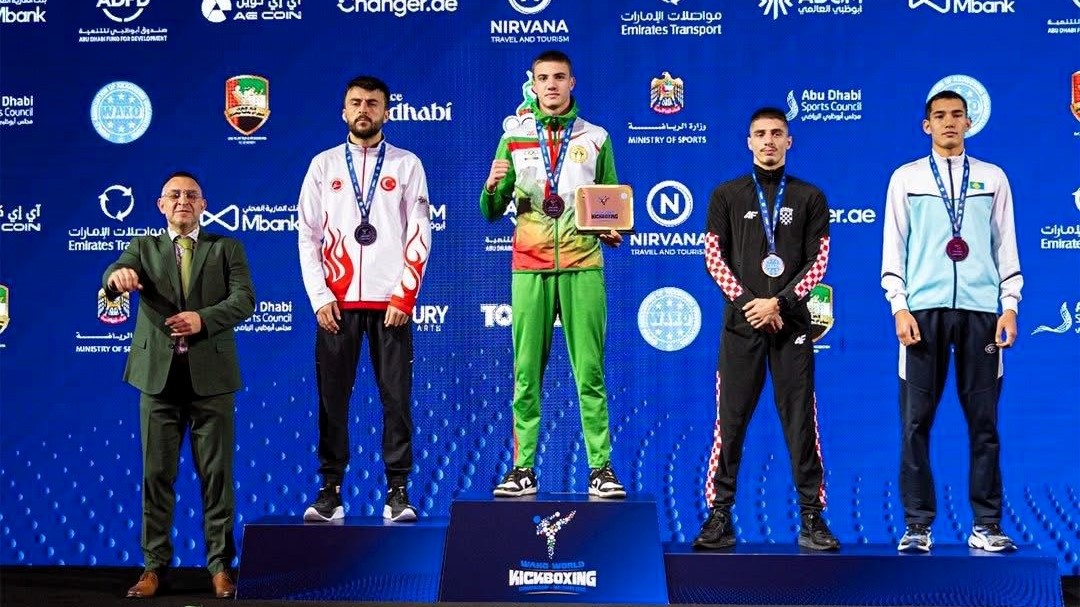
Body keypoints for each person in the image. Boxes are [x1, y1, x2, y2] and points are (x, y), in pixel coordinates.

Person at [481, 49, 626, 499]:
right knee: (526, 373)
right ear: (534, 84)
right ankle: (522, 468)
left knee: (590, 373)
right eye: (543, 78)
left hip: (583, 265)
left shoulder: (596, 138)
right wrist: (492, 186)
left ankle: (600, 469)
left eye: (559, 77)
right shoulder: (513, 138)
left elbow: (610, 203)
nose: (551, 85)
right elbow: (491, 211)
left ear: (571, 82)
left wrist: (612, 228)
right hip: (530, 265)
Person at [881, 90, 1022, 553]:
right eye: (939, 116)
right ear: (927, 125)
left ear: (968, 123)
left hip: (982, 313)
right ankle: (918, 526)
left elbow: (1005, 245)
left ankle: (987, 525)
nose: (948, 122)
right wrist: (899, 306)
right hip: (923, 313)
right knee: (915, 423)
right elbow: (894, 246)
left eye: (956, 115)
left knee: (985, 425)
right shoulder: (906, 178)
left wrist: (1009, 305)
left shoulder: (993, 178)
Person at [103, 171, 255, 599]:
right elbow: (114, 273)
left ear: (203, 205)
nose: (183, 200)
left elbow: (244, 299)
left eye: (191, 195)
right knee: (156, 475)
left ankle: (220, 568)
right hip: (158, 380)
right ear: (161, 205)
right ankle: (153, 567)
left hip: (213, 380)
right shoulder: (143, 248)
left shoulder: (226, 248)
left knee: (217, 477)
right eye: (174, 195)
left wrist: (202, 319)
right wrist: (116, 279)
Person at [693, 107, 839, 551]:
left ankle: (812, 517)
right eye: (760, 134)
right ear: (749, 142)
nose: (769, 141)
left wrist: (780, 303)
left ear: (789, 141)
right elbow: (713, 258)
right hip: (742, 327)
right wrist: (750, 305)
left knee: (801, 423)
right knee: (730, 423)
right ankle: (720, 515)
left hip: (792, 327)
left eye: (777, 133)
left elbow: (818, 263)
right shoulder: (726, 195)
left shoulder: (811, 196)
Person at [297, 75, 431, 523]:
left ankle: (398, 491)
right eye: (355, 102)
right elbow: (308, 236)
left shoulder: (407, 164)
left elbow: (419, 232)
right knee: (332, 400)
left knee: (396, 399)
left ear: (386, 112)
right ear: (344, 111)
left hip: (391, 306)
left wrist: (405, 295)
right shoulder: (323, 165)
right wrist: (320, 297)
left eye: (373, 103)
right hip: (336, 306)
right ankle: (330, 490)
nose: (363, 110)